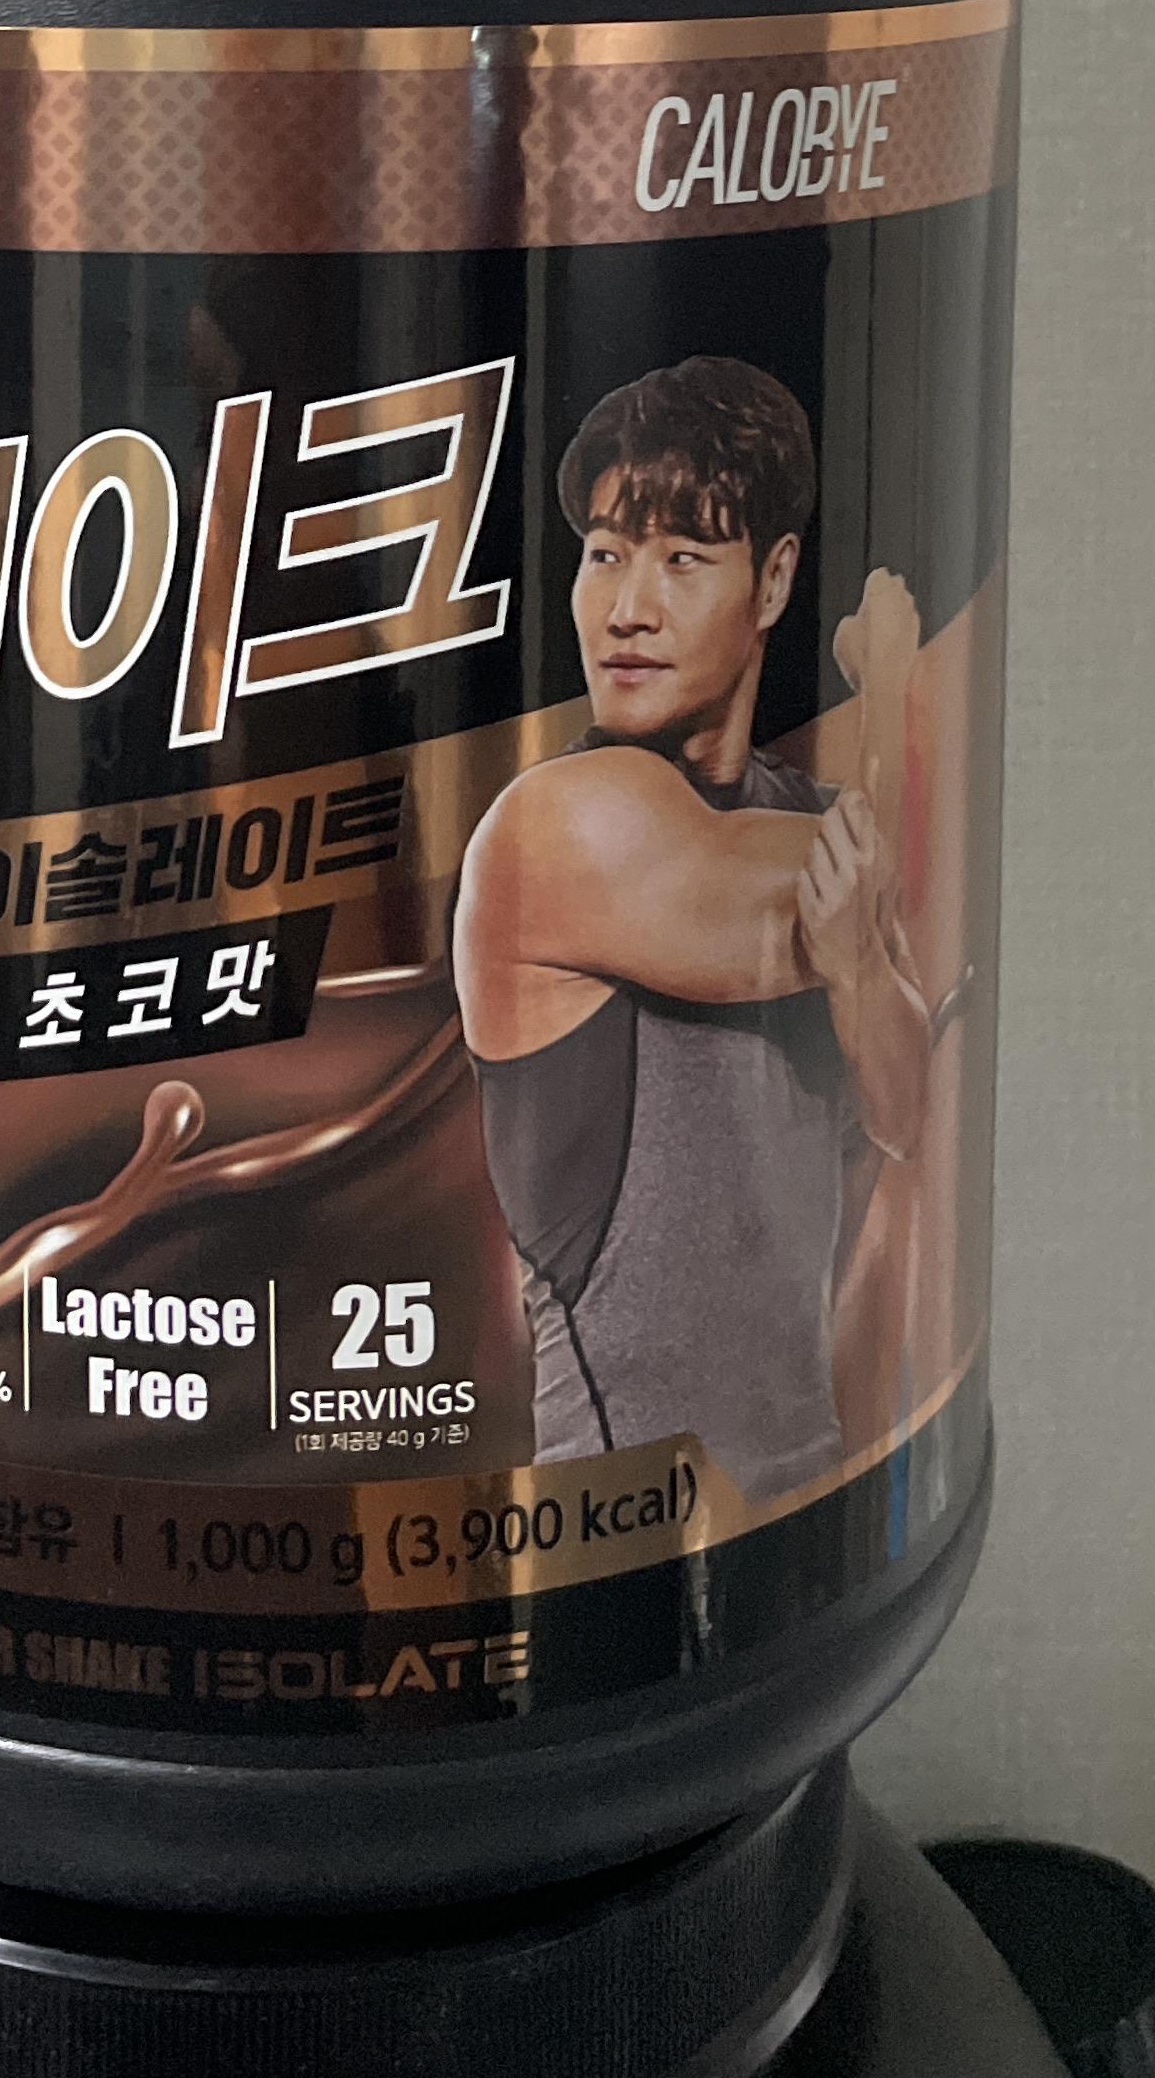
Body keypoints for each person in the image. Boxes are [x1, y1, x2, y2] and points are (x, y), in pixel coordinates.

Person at [455, 355, 930, 1503]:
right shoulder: (555, 826)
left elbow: (907, 1106)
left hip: (803, 1484)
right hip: (621, 1517)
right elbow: (826, 892)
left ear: (772, 583)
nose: (627, 607)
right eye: (605, 554)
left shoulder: (802, 809)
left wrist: (867, 971)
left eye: (680, 557)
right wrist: (890, 686)